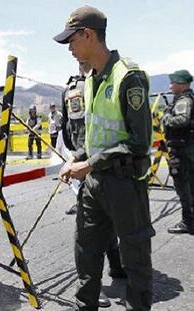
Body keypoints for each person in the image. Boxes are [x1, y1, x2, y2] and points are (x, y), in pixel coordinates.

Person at [55, 6, 154, 311]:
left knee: (134, 258)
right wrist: (77, 159)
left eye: (72, 40)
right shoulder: (91, 80)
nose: (69, 48)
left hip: (124, 183)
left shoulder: (129, 76)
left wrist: (90, 163)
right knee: (86, 253)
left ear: (88, 34)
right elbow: (97, 136)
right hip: (94, 183)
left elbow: (139, 144)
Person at [163, 69, 194, 234]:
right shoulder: (186, 98)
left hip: (181, 151)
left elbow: (182, 120)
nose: (170, 85)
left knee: (183, 187)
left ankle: (188, 222)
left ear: (182, 85)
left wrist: (166, 117)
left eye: (173, 82)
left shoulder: (183, 101)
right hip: (185, 149)